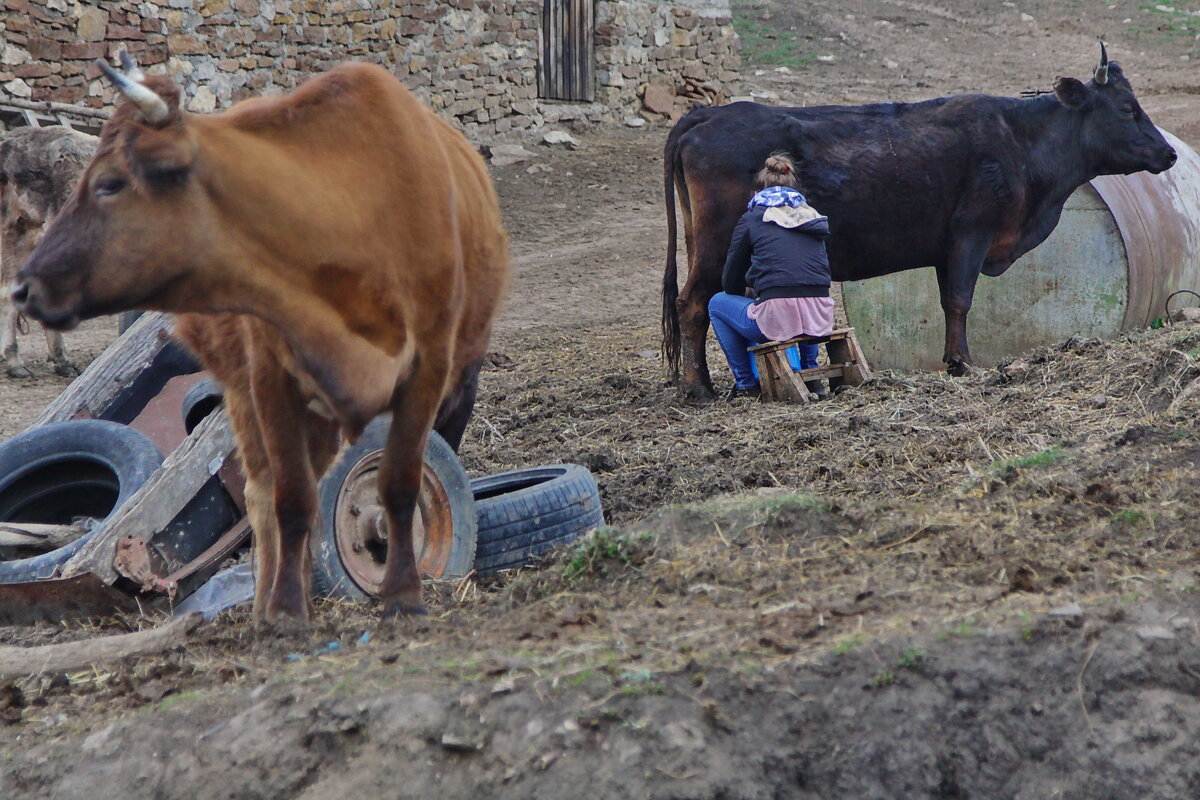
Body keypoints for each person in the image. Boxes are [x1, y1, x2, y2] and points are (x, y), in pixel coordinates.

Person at [708, 152, 835, 399]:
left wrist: (751, 289)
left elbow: (730, 281)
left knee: (716, 304)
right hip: (820, 315)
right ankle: (812, 376)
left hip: (777, 318)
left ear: (757, 193)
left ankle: (746, 384)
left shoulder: (753, 217)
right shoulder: (812, 215)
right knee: (805, 294)